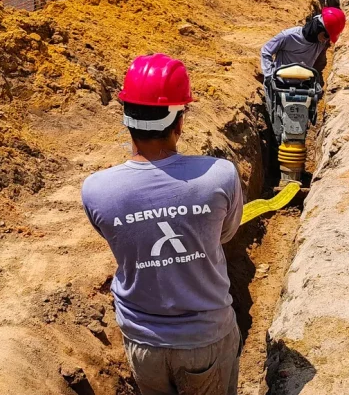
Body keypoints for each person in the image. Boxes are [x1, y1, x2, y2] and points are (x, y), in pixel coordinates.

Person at [81, 54, 244, 395]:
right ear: (179, 122)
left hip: (143, 344)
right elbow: (225, 234)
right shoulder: (220, 174)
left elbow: (117, 238)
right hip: (206, 339)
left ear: (126, 118)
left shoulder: (96, 189)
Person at [260, 6, 346, 89]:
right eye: (327, 36)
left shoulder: (321, 43)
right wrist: (269, 76)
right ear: (318, 28)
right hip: (279, 83)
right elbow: (266, 51)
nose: (326, 40)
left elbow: (320, 62)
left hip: (303, 85)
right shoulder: (288, 36)